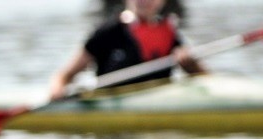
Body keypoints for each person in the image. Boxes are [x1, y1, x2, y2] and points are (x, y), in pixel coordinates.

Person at [49, 0, 207, 100]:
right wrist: (57, 90)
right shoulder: (108, 32)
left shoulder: (169, 33)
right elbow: (65, 75)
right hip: (113, 103)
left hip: (156, 101)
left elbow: (205, 78)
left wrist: (190, 64)